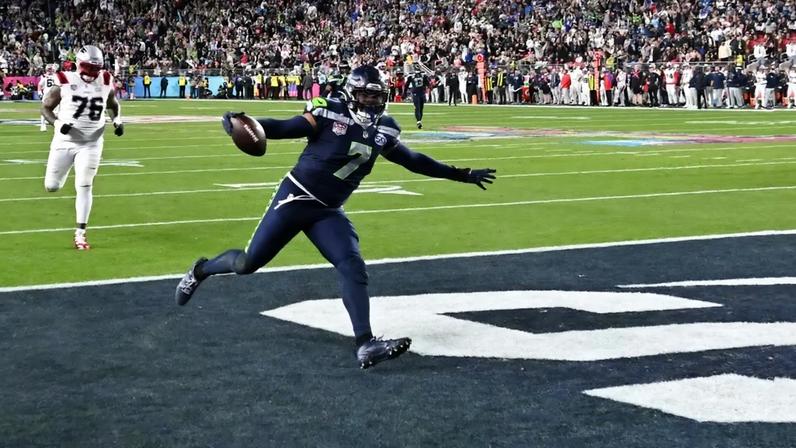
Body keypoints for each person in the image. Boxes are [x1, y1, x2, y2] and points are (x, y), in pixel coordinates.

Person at [174, 65, 496, 369]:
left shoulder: (385, 128)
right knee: (247, 264)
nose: (374, 101)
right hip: (296, 197)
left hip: (328, 210)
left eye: (378, 95)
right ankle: (201, 269)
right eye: (368, 95)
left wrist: (460, 174)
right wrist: (244, 124)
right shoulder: (329, 111)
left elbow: (412, 160)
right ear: (353, 92)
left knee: (352, 264)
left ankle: (366, 343)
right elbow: (285, 128)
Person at [40, 45, 124, 250]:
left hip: (92, 142)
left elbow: (113, 105)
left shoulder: (105, 80)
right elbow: (45, 107)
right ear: (79, 64)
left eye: (95, 68)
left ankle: (80, 233)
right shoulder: (64, 80)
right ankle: (65, 172)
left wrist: (117, 121)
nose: (91, 73)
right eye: (87, 67)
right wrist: (59, 124)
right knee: (52, 186)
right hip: (65, 141)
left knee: (85, 185)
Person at [405, 64, 428, 128]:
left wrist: (404, 92)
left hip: (419, 93)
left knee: (419, 108)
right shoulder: (422, 75)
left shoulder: (413, 75)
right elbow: (427, 83)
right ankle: (418, 121)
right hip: (418, 93)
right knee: (418, 108)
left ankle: (419, 121)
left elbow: (406, 85)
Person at [37, 64, 58, 131]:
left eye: (50, 69)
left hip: (54, 94)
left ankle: (55, 124)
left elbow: (40, 85)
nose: (49, 71)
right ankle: (43, 125)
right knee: (45, 109)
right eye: (48, 69)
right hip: (48, 94)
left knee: (56, 111)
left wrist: (39, 92)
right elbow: (40, 85)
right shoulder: (45, 77)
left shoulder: (54, 76)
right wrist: (39, 92)